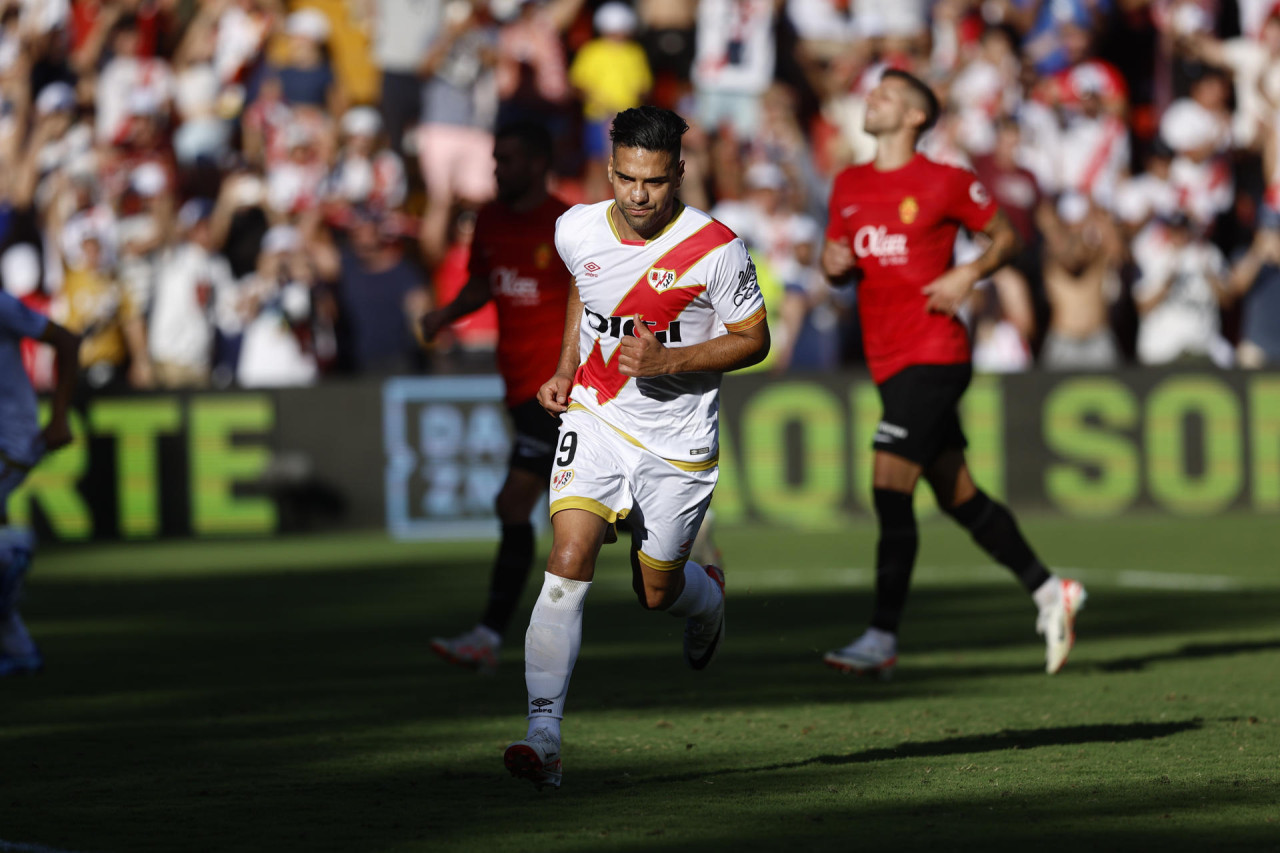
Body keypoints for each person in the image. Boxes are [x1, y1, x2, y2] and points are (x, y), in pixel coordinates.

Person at [502, 106, 769, 789]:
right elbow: (584, 287)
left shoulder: (716, 248)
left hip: (677, 443)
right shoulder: (576, 228)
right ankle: (544, 733)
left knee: (657, 592)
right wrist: (567, 367)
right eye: (625, 178)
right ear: (609, 169)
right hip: (595, 416)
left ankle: (706, 598)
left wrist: (667, 364)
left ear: (677, 172)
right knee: (566, 556)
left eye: (653, 181)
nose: (639, 195)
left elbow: (754, 337)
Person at [820, 70, 1086, 680]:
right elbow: (838, 261)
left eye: (885, 95)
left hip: (936, 352)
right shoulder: (849, 184)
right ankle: (1050, 591)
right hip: (887, 360)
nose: (872, 100)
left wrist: (969, 274)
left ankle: (881, 638)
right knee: (957, 493)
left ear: (915, 116)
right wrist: (832, 264)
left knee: (889, 483)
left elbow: (1006, 237)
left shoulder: (945, 181)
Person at [418, 121, 572, 672]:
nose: (496, 170)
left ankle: (488, 637)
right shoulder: (488, 219)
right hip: (518, 390)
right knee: (588, 516)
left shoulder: (566, 224)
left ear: (536, 162)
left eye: (507, 160)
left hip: (564, 393)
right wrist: (445, 314)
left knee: (516, 504)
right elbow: (484, 283)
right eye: (495, 160)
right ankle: (691, 552)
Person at [0, 290, 80, 675]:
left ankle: (12, 550)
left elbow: (66, 340)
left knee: (2, 549)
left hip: (8, 439)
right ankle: (18, 649)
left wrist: (59, 416)